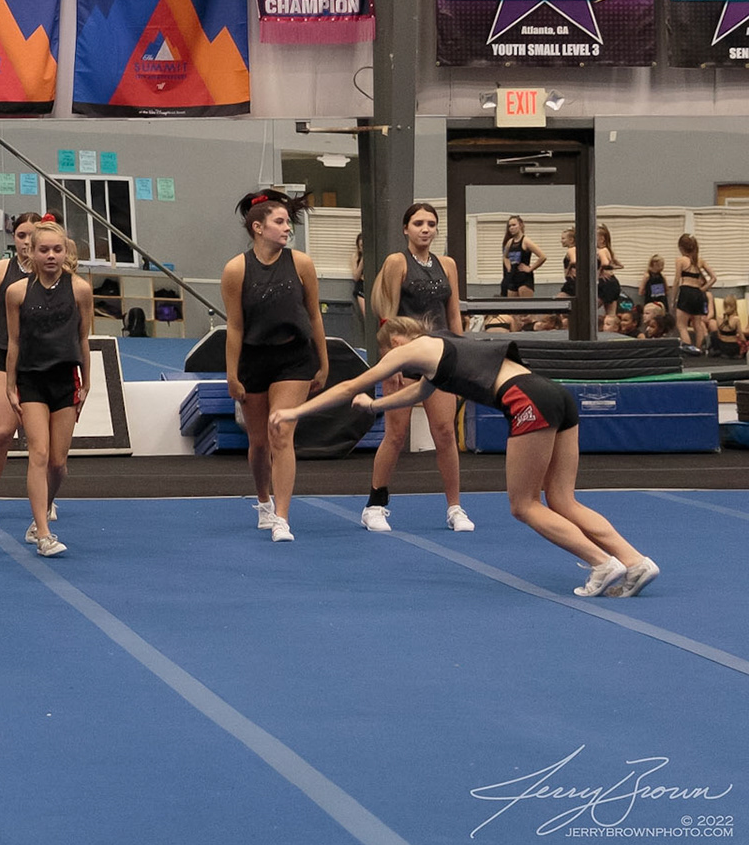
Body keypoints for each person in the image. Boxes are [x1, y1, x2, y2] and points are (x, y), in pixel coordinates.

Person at [272, 320, 659, 598]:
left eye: (388, 353)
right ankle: (635, 561)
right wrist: (375, 405)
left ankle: (601, 563)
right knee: (562, 499)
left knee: (524, 505)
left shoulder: (411, 349)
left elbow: (349, 385)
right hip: (553, 394)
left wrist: (295, 412)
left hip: (525, 400)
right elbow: (417, 394)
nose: (392, 363)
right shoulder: (444, 348)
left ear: (396, 339)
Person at [220, 190, 327, 544]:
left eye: (287, 222)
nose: (287, 228)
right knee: (259, 443)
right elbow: (235, 326)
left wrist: (323, 362)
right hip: (254, 358)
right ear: (258, 227)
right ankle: (263, 500)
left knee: (281, 432)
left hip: (294, 357)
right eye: (279, 222)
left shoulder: (301, 264)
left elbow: (314, 315)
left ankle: (282, 517)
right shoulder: (236, 270)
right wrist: (232, 374)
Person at [366, 202, 472, 534]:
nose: (425, 229)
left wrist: (461, 357)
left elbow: (453, 314)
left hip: (439, 358)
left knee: (445, 433)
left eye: (431, 224)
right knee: (396, 435)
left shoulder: (448, 265)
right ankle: (375, 505)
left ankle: (455, 507)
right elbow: (386, 313)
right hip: (405, 359)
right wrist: (389, 359)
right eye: (418, 223)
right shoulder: (397, 262)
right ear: (406, 229)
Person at [5, 219, 96, 556]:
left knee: (58, 463)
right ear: (31, 253)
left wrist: (87, 382)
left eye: (57, 250)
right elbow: (14, 341)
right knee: (39, 454)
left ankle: (44, 507)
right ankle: (43, 533)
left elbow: (83, 339)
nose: (51, 256)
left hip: (65, 379)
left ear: (66, 252)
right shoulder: (17, 292)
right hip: (31, 379)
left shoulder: (80, 290)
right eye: (44, 250)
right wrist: (10, 385)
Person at [0, 213, 39, 520]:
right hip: (4, 360)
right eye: (21, 235)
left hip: (42, 362)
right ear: (14, 237)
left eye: (32, 236)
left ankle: (45, 497)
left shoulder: (54, 273)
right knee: (2, 432)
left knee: (40, 438)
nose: (26, 242)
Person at [499, 216, 545, 331]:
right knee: (513, 312)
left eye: (514, 225)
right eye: (509, 226)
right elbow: (505, 257)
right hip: (513, 277)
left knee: (527, 311)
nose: (511, 228)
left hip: (524, 278)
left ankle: (532, 330)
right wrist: (509, 267)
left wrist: (530, 268)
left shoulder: (526, 241)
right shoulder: (510, 242)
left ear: (520, 225)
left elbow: (542, 256)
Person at [674, 234, 716, 353]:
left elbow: (677, 280)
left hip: (686, 292)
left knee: (681, 325)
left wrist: (673, 298)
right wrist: (702, 289)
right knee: (697, 324)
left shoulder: (681, 260)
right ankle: (699, 349)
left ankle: (689, 349)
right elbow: (714, 278)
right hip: (697, 293)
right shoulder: (699, 261)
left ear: (681, 248)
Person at [596, 225, 624, 318]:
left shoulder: (601, 251)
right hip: (612, 282)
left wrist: (599, 272)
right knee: (610, 315)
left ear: (602, 239)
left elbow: (605, 263)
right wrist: (610, 268)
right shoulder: (608, 250)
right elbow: (620, 265)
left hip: (606, 284)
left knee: (588, 308)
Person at [351, 233, 366, 321]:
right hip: (361, 287)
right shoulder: (356, 257)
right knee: (366, 315)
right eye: (361, 246)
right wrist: (362, 261)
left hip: (374, 285)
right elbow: (356, 277)